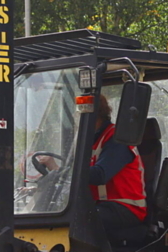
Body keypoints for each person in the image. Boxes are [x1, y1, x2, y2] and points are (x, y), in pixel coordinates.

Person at [42, 94, 147, 240]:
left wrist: (59, 171)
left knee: (77, 218)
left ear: (92, 114)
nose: (74, 115)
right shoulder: (90, 140)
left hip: (125, 208)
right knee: (55, 213)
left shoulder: (117, 139)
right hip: (99, 205)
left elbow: (99, 175)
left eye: (77, 111)